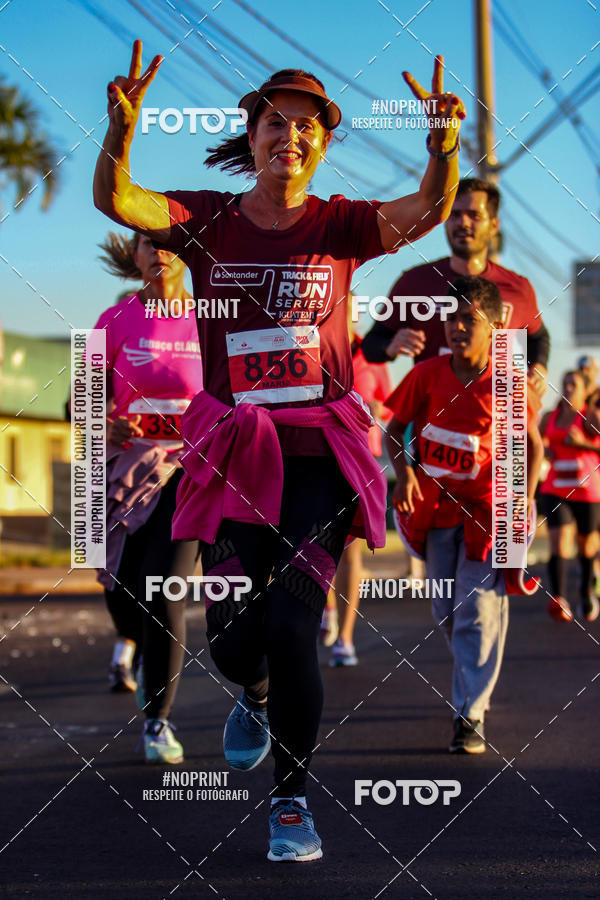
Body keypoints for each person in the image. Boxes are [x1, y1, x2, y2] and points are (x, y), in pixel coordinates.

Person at [93, 39, 465, 861]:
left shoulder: (340, 223)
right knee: (232, 640)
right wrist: (121, 131)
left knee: (298, 626)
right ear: (252, 135)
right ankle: (252, 694)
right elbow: (118, 198)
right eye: (273, 123)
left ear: (321, 145)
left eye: (305, 127)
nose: (288, 137)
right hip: (234, 462)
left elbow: (427, 209)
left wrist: (442, 147)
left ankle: (290, 805)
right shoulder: (208, 219)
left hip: (319, 461)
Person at [385, 276, 544, 754]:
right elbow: (396, 430)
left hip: (486, 514)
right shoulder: (427, 374)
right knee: (446, 610)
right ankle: (475, 674)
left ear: (497, 327)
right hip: (436, 511)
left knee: (475, 609)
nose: (456, 327)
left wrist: (523, 498)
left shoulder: (509, 382)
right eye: (450, 318)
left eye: (468, 320)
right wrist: (407, 475)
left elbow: (533, 448)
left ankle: (469, 712)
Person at [94, 230, 202, 763]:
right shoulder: (111, 322)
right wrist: (101, 424)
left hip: (188, 475)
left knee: (164, 591)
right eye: (147, 242)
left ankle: (157, 723)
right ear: (133, 256)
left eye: (170, 242)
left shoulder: (213, 318)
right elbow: (81, 406)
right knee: (119, 588)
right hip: (123, 474)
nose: (159, 251)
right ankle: (139, 648)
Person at [361, 178, 550, 398]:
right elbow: (370, 346)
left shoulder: (518, 288)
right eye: (455, 214)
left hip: (495, 420)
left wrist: (539, 367)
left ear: (493, 225)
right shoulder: (415, 283)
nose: (463, 223)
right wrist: (390, 346)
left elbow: (538, 338)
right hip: (433, 421)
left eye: (474, 216)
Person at [322, 303, 393, 666]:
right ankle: (327, 605)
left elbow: (392, 408)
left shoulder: (373, 356)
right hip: (320, 456)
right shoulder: (311, 347)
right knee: (314, 545)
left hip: (361, 460)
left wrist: (378, 409)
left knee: (351, 551)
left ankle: (345, 639)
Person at [539, 370, 600, 623]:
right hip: (555, 489)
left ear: (586, 391)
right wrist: (543, 449)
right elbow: (535, 441)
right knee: (559, 540)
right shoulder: (550, 417)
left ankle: (586, 591)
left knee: (586, 547)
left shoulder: (589, 417)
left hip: (587, 491)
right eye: (565, 383)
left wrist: (582, 444)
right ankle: (560, 599)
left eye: (574, 384)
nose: (568, 387)